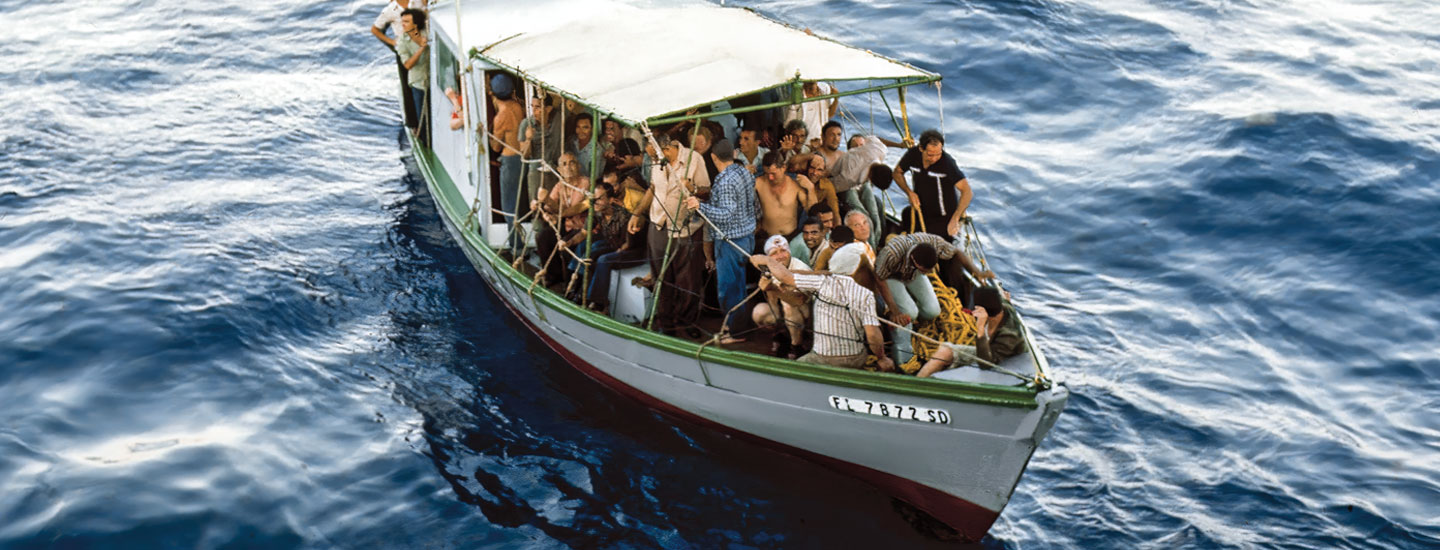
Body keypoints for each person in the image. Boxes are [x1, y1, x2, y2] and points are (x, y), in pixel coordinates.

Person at [749, 251, 895, 372]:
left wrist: (767, 260)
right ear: (855, 269)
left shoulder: (821, 282)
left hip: (822, 358)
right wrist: (881, 357)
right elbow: (872, 334)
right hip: (856, 358)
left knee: (790, 371)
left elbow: (786, 277)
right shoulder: (865, 294)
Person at [628, 134, 711, 336]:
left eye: (655, 154)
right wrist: (637, 213)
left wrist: (693, 188)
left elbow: (707, 191)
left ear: (668, 149)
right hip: (658, 225)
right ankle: (666, 322)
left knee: (688, 279)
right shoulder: (657, 162)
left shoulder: (694, 159)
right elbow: (653, 189)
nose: (654, 159)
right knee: (661, 277)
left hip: (686, 228)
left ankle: (688, 321)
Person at [873, 232, 994, 365]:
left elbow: (957, 252)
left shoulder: (934, 243)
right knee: (909, 313)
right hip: (891, 276)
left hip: (914, 274)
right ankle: (902, 342)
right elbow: (879, 278)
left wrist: (977, 272)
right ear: (913, 259)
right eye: (926, 270)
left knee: (932, 311)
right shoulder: (891, 253)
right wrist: (895, 310)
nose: (929, 274)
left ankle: (915, 320)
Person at [684, 139, 758, 341]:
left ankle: (736, 332)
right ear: (734, 154)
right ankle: (740, 324)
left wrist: (699, 207)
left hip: (730, 242)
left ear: (714, 157)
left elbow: (725, 214)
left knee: (727, 290)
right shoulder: (744, 172)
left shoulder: (724, 181)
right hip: (747, 237)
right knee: (740, 286)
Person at [916, 287, 1025, 377]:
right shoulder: (1002, 306)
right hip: (989, 350)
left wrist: (981, 329)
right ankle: (917, 384)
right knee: (946, 351)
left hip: (998, 360)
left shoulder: (1009, 336)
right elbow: (1004, 300)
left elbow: (985, 364)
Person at [893, 129, 972, 238]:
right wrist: (909, 192)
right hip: (921, 211)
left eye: (938, 154)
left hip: (944, 218)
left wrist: (955, 219)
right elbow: (897, 173)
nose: (934, 159)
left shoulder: (947, 163)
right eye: (930, 155)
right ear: (921, 148)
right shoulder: (912, 155)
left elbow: (967, 191)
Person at [831, 133, 902, 245]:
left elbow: (879, 139)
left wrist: (900, 145)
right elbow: (832, 187)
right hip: (846, 187)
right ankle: (871, 247)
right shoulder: (850, 177)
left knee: (875, 212)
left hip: (860, 181)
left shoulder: (880, 150)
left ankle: (880, 242)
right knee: (864, 217)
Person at [751, 235, 813, 359]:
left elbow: (799, 300)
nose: (780, 256)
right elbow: (771, 299)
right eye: (774, 253)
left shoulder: (800, 267)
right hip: (786, 314)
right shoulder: (769, 267)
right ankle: (781, 334)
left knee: (788, 305)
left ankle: (797, 346)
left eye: (783, 251)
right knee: (759, 312)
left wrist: (773, 289)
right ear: (768, 257)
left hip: (808, 314)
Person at [534, 153, 590, 287]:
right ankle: (554, 276)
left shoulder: (585, 183)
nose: (568, 167)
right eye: (564, 164)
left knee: (566, 245)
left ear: (578, 166)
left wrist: (546, 200)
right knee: (543, 237)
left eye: (572, 163)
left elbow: (572, 210)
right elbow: (549, 208)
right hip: (568, 226)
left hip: (583, 229)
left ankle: (570, 285)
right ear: (559, 170)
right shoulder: (560, 185)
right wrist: (545, 211)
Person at [371, 0, 427, 130]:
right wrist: (391, 42)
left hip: (421, 43)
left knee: (424, 81)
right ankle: (414, 123)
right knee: (408, 86)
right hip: (405, 49)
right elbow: (375, 29)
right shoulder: (391, 9)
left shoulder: (417, 1)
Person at [489, 74, 524, 249]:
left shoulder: (500, 117)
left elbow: (496, 146)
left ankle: (517, 247)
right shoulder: (517, 106)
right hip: (521, 157)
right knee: (519, 202)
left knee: (509, 206)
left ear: (492, 93)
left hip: (510, 160)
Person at [755, 151, 813, 245]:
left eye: (773, 173)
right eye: (767, 173)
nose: (770, 177)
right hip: (768, 237)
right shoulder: (759, 182)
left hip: (791, 237)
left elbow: (810, 210)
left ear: (783, 168)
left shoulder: (795, 185)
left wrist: (811, 189)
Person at [393, 9, 429, 138]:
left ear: (416, 24)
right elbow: (407, 65)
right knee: (422, 119)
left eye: (407, 22)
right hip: (418, 83)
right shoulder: (402, 41)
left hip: (433, 81)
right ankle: (424, 141)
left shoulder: (427, 33)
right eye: (402, 21)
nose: (403, 24)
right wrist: (421, 49)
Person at [782, 81, 838, 147]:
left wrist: (836, 98)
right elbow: (789, 126)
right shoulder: (795, 97)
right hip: (804, 144)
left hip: (822, 142)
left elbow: (829, 114)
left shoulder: (825, 88)